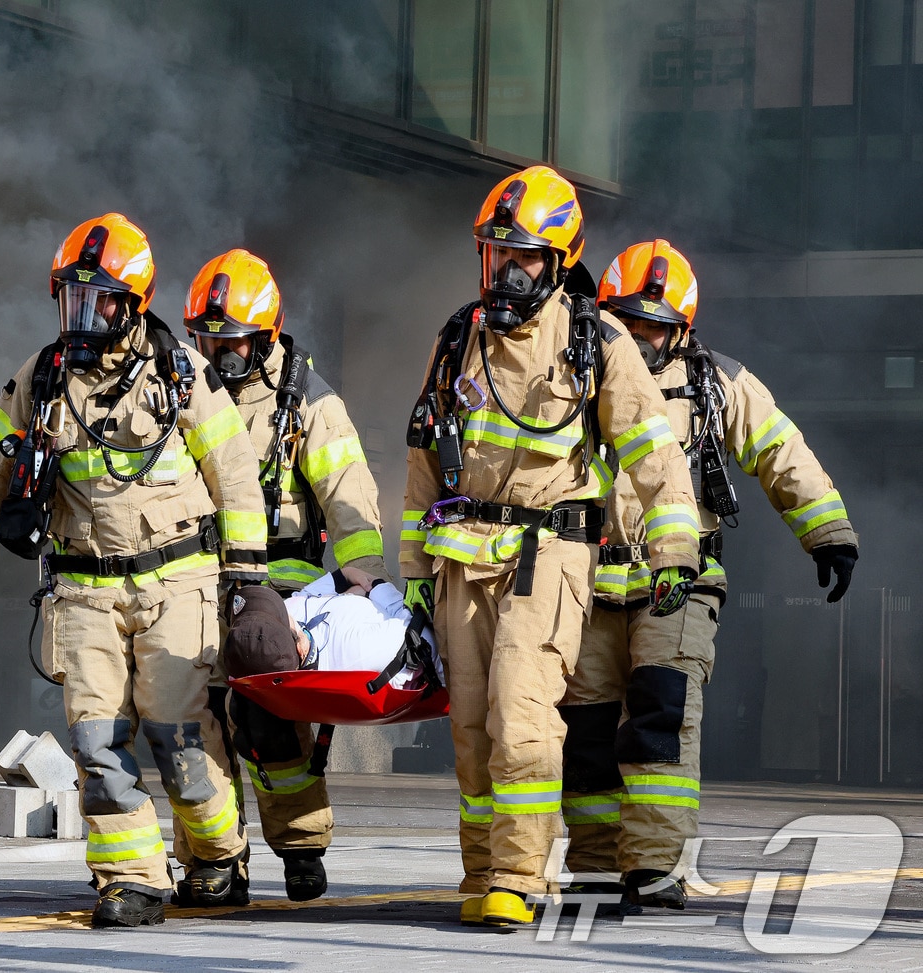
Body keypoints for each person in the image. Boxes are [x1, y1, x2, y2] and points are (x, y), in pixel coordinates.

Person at [0, 213, 269, 929]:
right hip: (83, 588)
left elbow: (236, 473)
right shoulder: (43, 376)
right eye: (71, 297)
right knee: (96, 740)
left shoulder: (183, 376)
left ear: (133, 303)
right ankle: (132, 880)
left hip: (177, 580)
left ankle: (217, 853)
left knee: (176, 735)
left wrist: (245, 573)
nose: (82, 315)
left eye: (99, 299)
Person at [401, 165, 703, 927]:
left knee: (522, 713)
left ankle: (519, 874)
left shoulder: (597, 342)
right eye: (495, 252)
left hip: (550, 555)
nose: (506, 268)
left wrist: (674, 547)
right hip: (461, 555)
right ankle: (481, 871)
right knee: (469, 725)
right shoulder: (457, 338)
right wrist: (408, 572)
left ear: (559, 260)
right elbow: (419, 457)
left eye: (524, 255)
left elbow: (654, 454)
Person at [559, 239, 859, 909]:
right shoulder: (576, 371)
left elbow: (781, 449)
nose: (636, 341)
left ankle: (655, 867)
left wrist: (828, 534)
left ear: (683, 327)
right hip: (587, 582)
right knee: (587, 733)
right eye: (624, 325)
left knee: (661, 718)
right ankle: (597, 867)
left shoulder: (716, 382)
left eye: (653, 328)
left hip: (679, 584)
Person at [182, 249, 388, 902]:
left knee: (267, 726)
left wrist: (362, 580)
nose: (218, 355)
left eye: (233, 342)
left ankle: (300, 842)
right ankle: (215, 863)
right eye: (207, 340)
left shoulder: (307, 403)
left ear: (266, 333)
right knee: (197, 723)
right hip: (191, 586)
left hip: (279, 592)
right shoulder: (180, 393)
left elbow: (349, 493)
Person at [225, 566, 442, 688]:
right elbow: (421, 636)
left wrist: (347, 579)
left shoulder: (282, 636)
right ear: (300, 647)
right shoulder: (359, 649)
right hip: (397, 614)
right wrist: (374, 586)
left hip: (362, 602)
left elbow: (306, 596)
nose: (284, 608)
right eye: (282, 616)